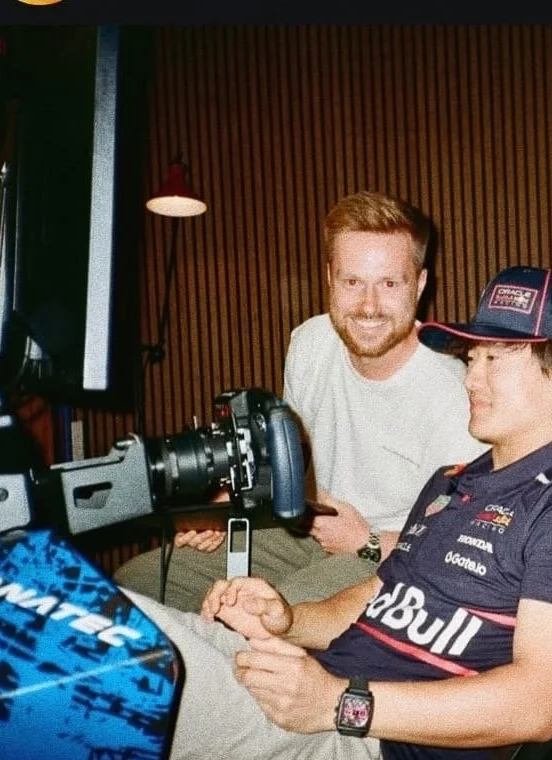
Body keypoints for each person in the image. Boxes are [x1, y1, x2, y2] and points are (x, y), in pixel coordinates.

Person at [123, 265, 552, 760]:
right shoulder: (453, 483)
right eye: (472, 356)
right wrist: (288, 619)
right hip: (318, 692)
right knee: (105, 619)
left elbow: (536, 705)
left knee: (96, 669)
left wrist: (338, 704)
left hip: (367, 746)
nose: (472, 376)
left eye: (497, 358)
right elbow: (379, 595)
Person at [114, 191, 487, 610]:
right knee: (137, 583)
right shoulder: (309, 343)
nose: (369, 306)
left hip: (394, 554)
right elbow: (292, 460)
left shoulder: (456, 391)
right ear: (330, 278)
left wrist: (365, 542)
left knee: (264, 617)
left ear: (419, 285)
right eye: (352, 282)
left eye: (388, 283)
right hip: (310, 529)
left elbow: (463, 545)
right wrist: (229, 507)